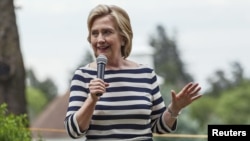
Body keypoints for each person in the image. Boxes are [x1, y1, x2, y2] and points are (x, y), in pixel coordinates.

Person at [64, 4, 202, 141]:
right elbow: (73, 131)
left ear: (123, 38)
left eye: (107, 32)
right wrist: (92, 99)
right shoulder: (83, 76)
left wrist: (175, 109)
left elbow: (159, 127)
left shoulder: (146, 74)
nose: (100, 39)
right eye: (95, 33)